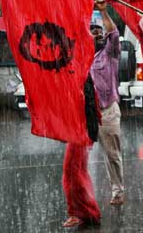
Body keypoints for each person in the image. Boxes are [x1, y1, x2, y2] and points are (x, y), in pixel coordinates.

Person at [89, 0, 124, 205]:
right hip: (87, 113)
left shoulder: (109, 53)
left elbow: (114, 34)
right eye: (93, 30)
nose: (98, 33)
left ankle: (118, 191)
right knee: (77, 158)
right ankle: (82, 200)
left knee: (112, 154)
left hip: (107, 111)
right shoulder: (81, 56)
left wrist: (103, 12)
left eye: (99, 29)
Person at [61, 76, 101, 228]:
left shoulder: (80, 78)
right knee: (77, 172)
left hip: (80, 132)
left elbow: (84, 104)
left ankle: (79, 212)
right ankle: (88, 212)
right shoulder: (83, 77)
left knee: (71, 172)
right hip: (81, 131)